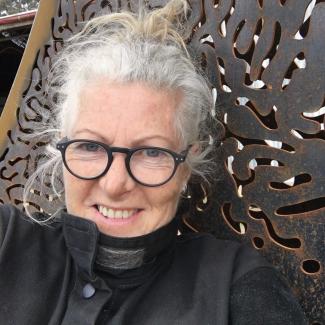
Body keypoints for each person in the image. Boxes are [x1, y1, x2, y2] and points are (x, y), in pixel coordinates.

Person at [0, 0, 307, 324]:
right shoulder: (8, 242)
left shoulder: (237, 289)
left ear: (187, 163)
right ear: (61, 148)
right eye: (90, 146)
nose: (115, 184)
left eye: (151, 153)